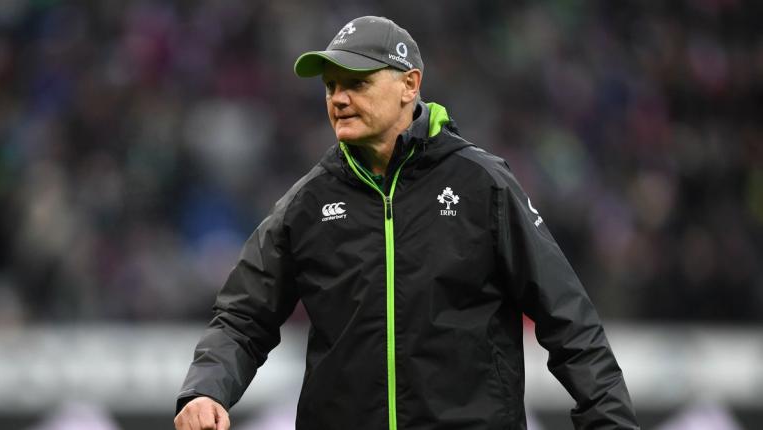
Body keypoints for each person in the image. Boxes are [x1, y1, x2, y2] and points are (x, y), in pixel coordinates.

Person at [174, 15, 640, 430]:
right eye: (331, 87)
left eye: (356, 84)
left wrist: (610, 422)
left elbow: (568, 319)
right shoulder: (308, 203)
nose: (339, 99)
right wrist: (205, 390)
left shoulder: (482, 185)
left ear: (409, 85)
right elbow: (242, 317)